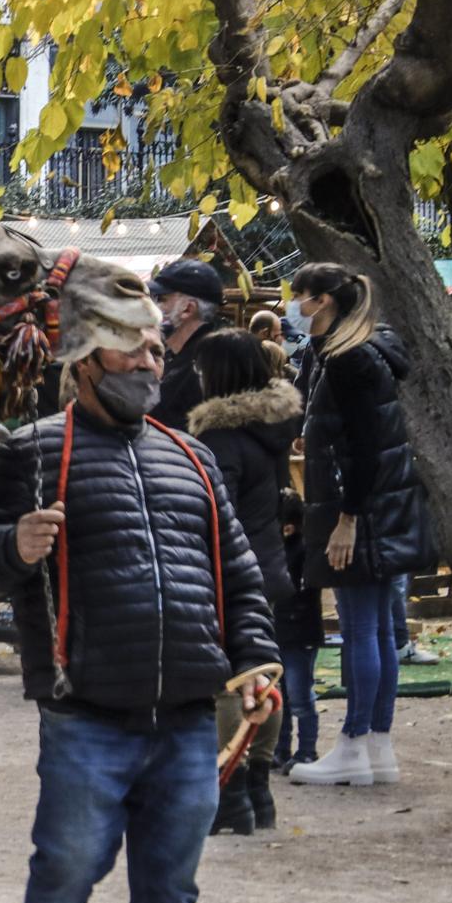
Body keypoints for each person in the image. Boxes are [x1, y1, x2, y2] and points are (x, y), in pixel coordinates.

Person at [0, 309, 279, 903]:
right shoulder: (30, 453)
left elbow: (237, 573)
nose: (149, 361)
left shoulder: (193, 458)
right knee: (66, 868)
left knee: (171, 883)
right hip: (85, 717)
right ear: (83, 358)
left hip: (188, 721)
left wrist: (254, 663)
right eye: (131, 346)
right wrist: (12, 547)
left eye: (157, 349)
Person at [283, 264, 433, 787]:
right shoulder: (362, 352)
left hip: (359, 510)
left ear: (322, 301)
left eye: (298, 297)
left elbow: (365, 447)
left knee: (360, 630)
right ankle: (375, 746)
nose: (293, 306)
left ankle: (354, 740)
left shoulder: (347, 359)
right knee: (378, 632)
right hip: (379, 505)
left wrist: (347, 517)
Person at [186, 328, 300, 835]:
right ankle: (258, 789)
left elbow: (216, 511)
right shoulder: (271, 425)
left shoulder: (220, 436)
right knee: (264, 675)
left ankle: (231, 790)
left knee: (230, 682)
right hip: (270, 561)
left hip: (231, 568)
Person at [271, 492, 324, 769]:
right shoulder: (278, 551)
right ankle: (282, 749)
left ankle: (306, 750)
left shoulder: (302, 552)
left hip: (299, 633)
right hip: (282, 631)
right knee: (283, 697)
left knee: (300, 695)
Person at [148, 258, 229, 428]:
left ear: (187, 309)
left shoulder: (210, 365)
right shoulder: (173, 356)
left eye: (161, 299)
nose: (151, 306)